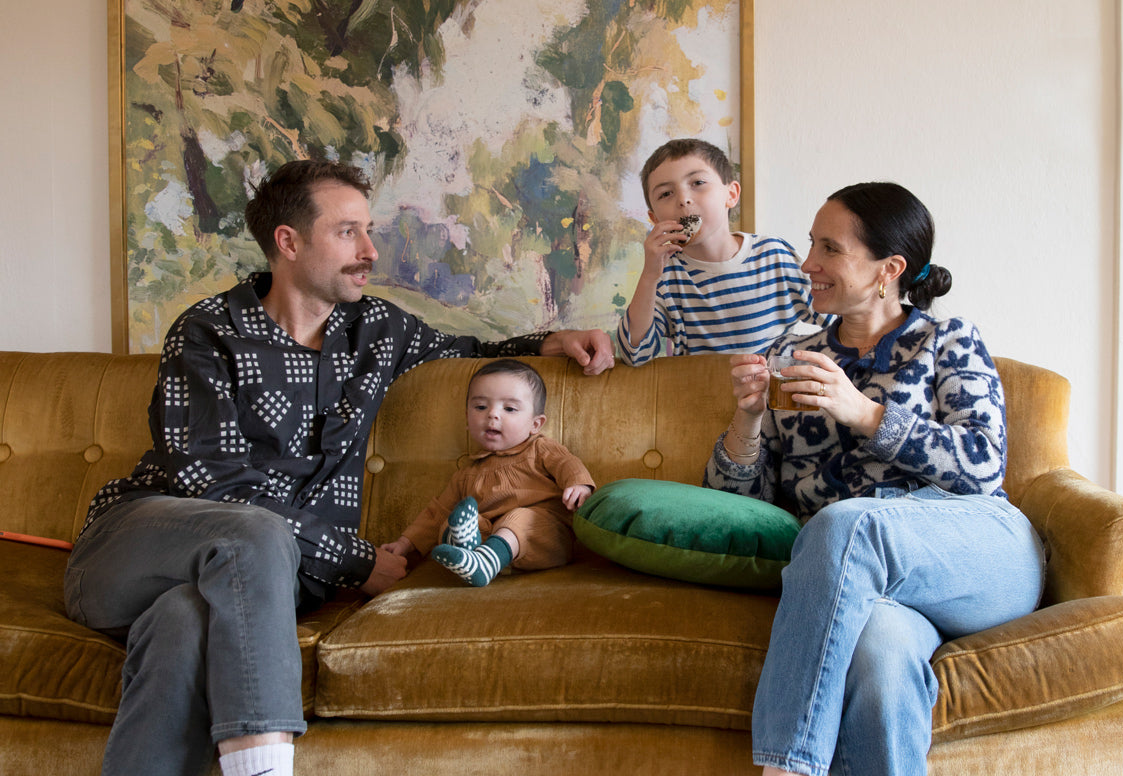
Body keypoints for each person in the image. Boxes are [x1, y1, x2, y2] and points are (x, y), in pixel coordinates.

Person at [62, 159, 614, 776]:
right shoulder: (208, 333)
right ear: (288, 242)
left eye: (368, 229)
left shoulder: (376, 330)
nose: (370, 250)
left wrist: (552, 341)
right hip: (136, 546)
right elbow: (211, 486)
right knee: (253, 529)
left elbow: (470, 352)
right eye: (348, 231)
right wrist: (356, 561)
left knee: (187, 625)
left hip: (257, 584)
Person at [703, 182, 1046, 776]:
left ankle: (783, 768)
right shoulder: (793, 352)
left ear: (889, 268)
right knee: (880, 656)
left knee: (847, 524)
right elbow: (738, 504)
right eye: (812, 244)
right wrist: (749, 417)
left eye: (829, 249)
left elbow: (984, 464)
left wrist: (863, 411)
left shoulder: (947, 340)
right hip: (862, 583)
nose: (808, 263)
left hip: (975, 550)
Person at [617, 138, 830, 365]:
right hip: (701, 396)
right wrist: (649, 276)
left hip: (772, 397)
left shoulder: (774, 256)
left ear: (731, 194)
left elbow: (839, 317)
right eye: (666, 194)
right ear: (654, 218)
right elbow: (634, 354)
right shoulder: (665, 277)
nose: (683, 199)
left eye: (697, 182)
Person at [383, 359, 594, 586]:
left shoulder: (540, 448)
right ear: (467, 417)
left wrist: (579, 485)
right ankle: (472, 554)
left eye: (509, 408)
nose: (492, 414)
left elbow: (567, 463)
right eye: (481, 407)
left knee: (518, 519)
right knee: (450, 521)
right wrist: (405, 543)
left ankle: (484, 558)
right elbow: (435, 513)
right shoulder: (466, 474)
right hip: (492, 542)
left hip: (546, 537)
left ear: (535, 424)